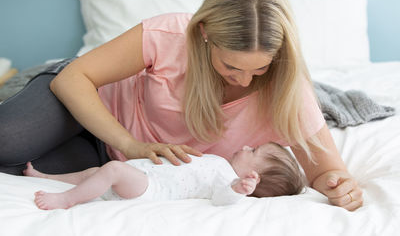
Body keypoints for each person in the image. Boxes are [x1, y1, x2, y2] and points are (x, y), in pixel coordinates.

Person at [0, 0, 363, 211]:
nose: (244, 80)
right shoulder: (171, 34)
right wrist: (130, 145)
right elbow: (73, 80)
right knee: (6, 140)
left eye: (260, 68)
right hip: (82, 105)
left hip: (111, 160)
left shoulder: (288, 89)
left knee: (20, 171)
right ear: (204, 34)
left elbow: (327, 171)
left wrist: (339, 186)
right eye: (232, 66)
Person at [24, 142, 306, 210]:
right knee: (95, 172)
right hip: (147, 173)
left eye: (253, 150)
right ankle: (47, 177)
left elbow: (223, 199)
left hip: (151, 188)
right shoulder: (220, 161)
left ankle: (65, 199)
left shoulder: (228, 181)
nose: (245, 145)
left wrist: (238, 189)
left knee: (111, 169)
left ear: (252, 176)